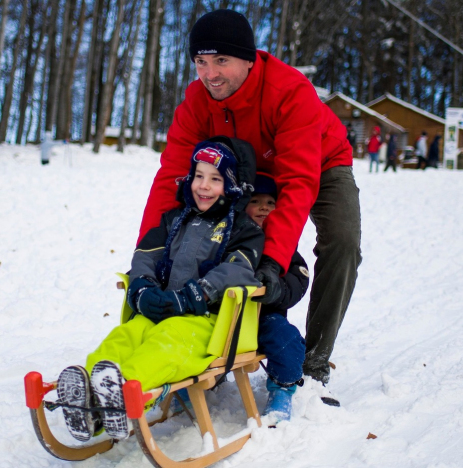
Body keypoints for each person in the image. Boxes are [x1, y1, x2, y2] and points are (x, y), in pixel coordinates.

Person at [137, 9, 361, 391]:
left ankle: (315, 359)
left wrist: (272, 263)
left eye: (221, 60)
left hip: (319, 163)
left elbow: (297, 182)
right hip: (243, 171)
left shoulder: (289, 91)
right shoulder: (196, 101)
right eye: (201, 62)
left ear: (249, 58)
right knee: (219, 237)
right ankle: (213, 340)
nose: (210, 74)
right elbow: (172, 178)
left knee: (341, 240)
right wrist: (148, 251)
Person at [55, 139, 264, 442]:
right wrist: (142, 287)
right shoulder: (175, 220)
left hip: (206, 322)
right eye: (199, 175)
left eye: (215, 179)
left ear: (231, 185)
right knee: (127, 335)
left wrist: (196, 295)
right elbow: (146, 254)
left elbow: (237, 269)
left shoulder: (243, 229)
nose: (203, 186)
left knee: (166, 345)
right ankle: (88, 396)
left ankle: (126, 392)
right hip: (163, 308)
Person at [246, 173, 309, 420]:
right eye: (255, 201)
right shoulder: (230, 236)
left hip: (265, 317)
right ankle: (191, 387)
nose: (264, 207)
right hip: (227, 320)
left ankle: (283, 388)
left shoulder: (283, 243)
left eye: (271, 202)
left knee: (287, 341)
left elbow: (299, 275)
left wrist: (279, 291)